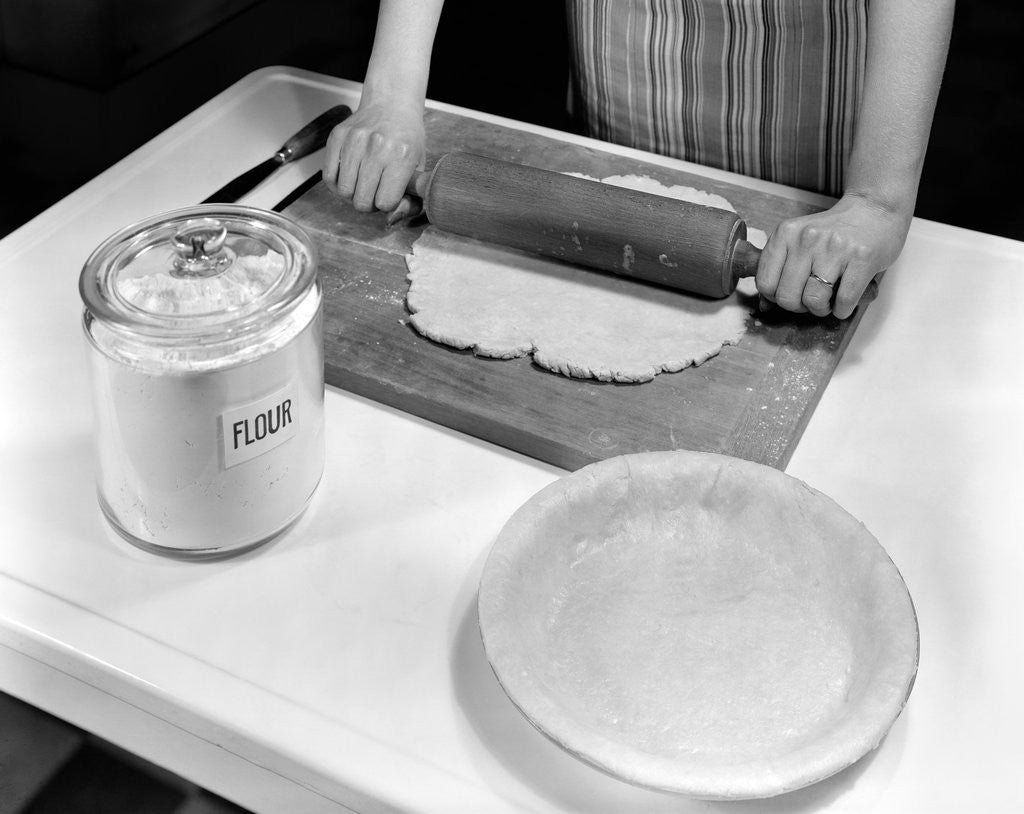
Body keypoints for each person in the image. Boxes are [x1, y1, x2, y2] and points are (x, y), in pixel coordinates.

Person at [323, 0, 954, 320]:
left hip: (799, 79)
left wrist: (876, 201)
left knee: (806, 264)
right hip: (627, 49)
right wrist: (390, 96)